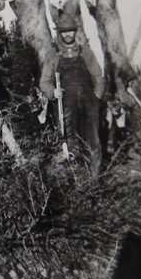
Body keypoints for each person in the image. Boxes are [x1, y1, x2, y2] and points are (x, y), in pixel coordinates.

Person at [40, 15, 104, 173]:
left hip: (89, 104)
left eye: (70, 31)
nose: (68, 35)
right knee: (70, 142)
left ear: (75, 32)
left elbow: (98, 76)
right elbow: (44, 82)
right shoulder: (53, 55)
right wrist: (53, 93)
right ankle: (76, 179)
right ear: (59, 33)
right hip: (66, 106)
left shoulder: (85, 52)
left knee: (93, 141)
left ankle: (94, 179)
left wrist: (96, 97)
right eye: (64, 32)